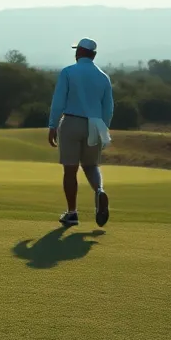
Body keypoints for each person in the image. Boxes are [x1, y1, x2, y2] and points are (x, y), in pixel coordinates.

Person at [47, 37, 114, 228]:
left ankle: (72, 213)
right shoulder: (103, 77)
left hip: (71, 122)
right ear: (93, 55)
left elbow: (58, 101)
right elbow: (108, 108)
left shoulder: (68, 72)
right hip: (95, 124)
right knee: (91, 166)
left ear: (80, 53)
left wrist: (52, 125)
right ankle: (99, 191)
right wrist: (103, 129)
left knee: (70, 169)